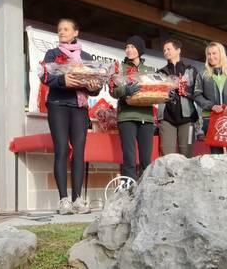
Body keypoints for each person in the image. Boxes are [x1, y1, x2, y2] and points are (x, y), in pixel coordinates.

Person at [41, 18, 101, 215]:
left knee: (79, 153)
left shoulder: (85, 56)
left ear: (76, 32)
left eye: (66, 29)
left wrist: (94, 87)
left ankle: (77, 199)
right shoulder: (53, 53)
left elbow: (93, 89)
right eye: (59, 30)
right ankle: (63, 200)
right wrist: (62, 79)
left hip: (79, 107)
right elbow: (45, 77)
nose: (62, 32)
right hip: (58, 105)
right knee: (61, 150)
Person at [110, 35, 155, 181]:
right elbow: (113, 91)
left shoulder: (149, 70)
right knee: (129, 158)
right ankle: (129, 191)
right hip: (127, 117)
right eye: (127, 47)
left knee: (146, 160)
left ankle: (145, 190)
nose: (129, 50)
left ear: (140, 50)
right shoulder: (120, 68)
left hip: (146, 118)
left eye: (132, 47)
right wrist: (125, 91)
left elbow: (156, 91)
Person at [194, 42, 227, 154]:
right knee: (216, 155)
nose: (211, 57)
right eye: (209, 54)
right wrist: (212, 106)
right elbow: (197, 95)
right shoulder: (202, 75)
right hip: (210, 119)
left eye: (214, 53)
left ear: (221, 54)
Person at [157, 39, 198, 157]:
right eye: (164, 50)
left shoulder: (190, 70)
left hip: (187, 118)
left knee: (187, 154)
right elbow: (158, 94)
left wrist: (185, 89)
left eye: (169, 49)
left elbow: (198, 92)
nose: (166, 52)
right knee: (167, 156)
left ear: (178, 50)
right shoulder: (161, 72)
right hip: (166, 117)